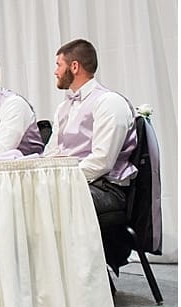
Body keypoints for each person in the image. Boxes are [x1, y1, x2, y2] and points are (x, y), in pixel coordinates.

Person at [42, 39, 137, 216]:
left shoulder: (108, 102)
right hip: (72, 183)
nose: (55, 72)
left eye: (59, 65)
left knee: (46, 202)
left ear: (74, 66)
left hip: (105, 187)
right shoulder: (63, 108)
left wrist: (62, 181)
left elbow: (102, 161)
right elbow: (51, 153)